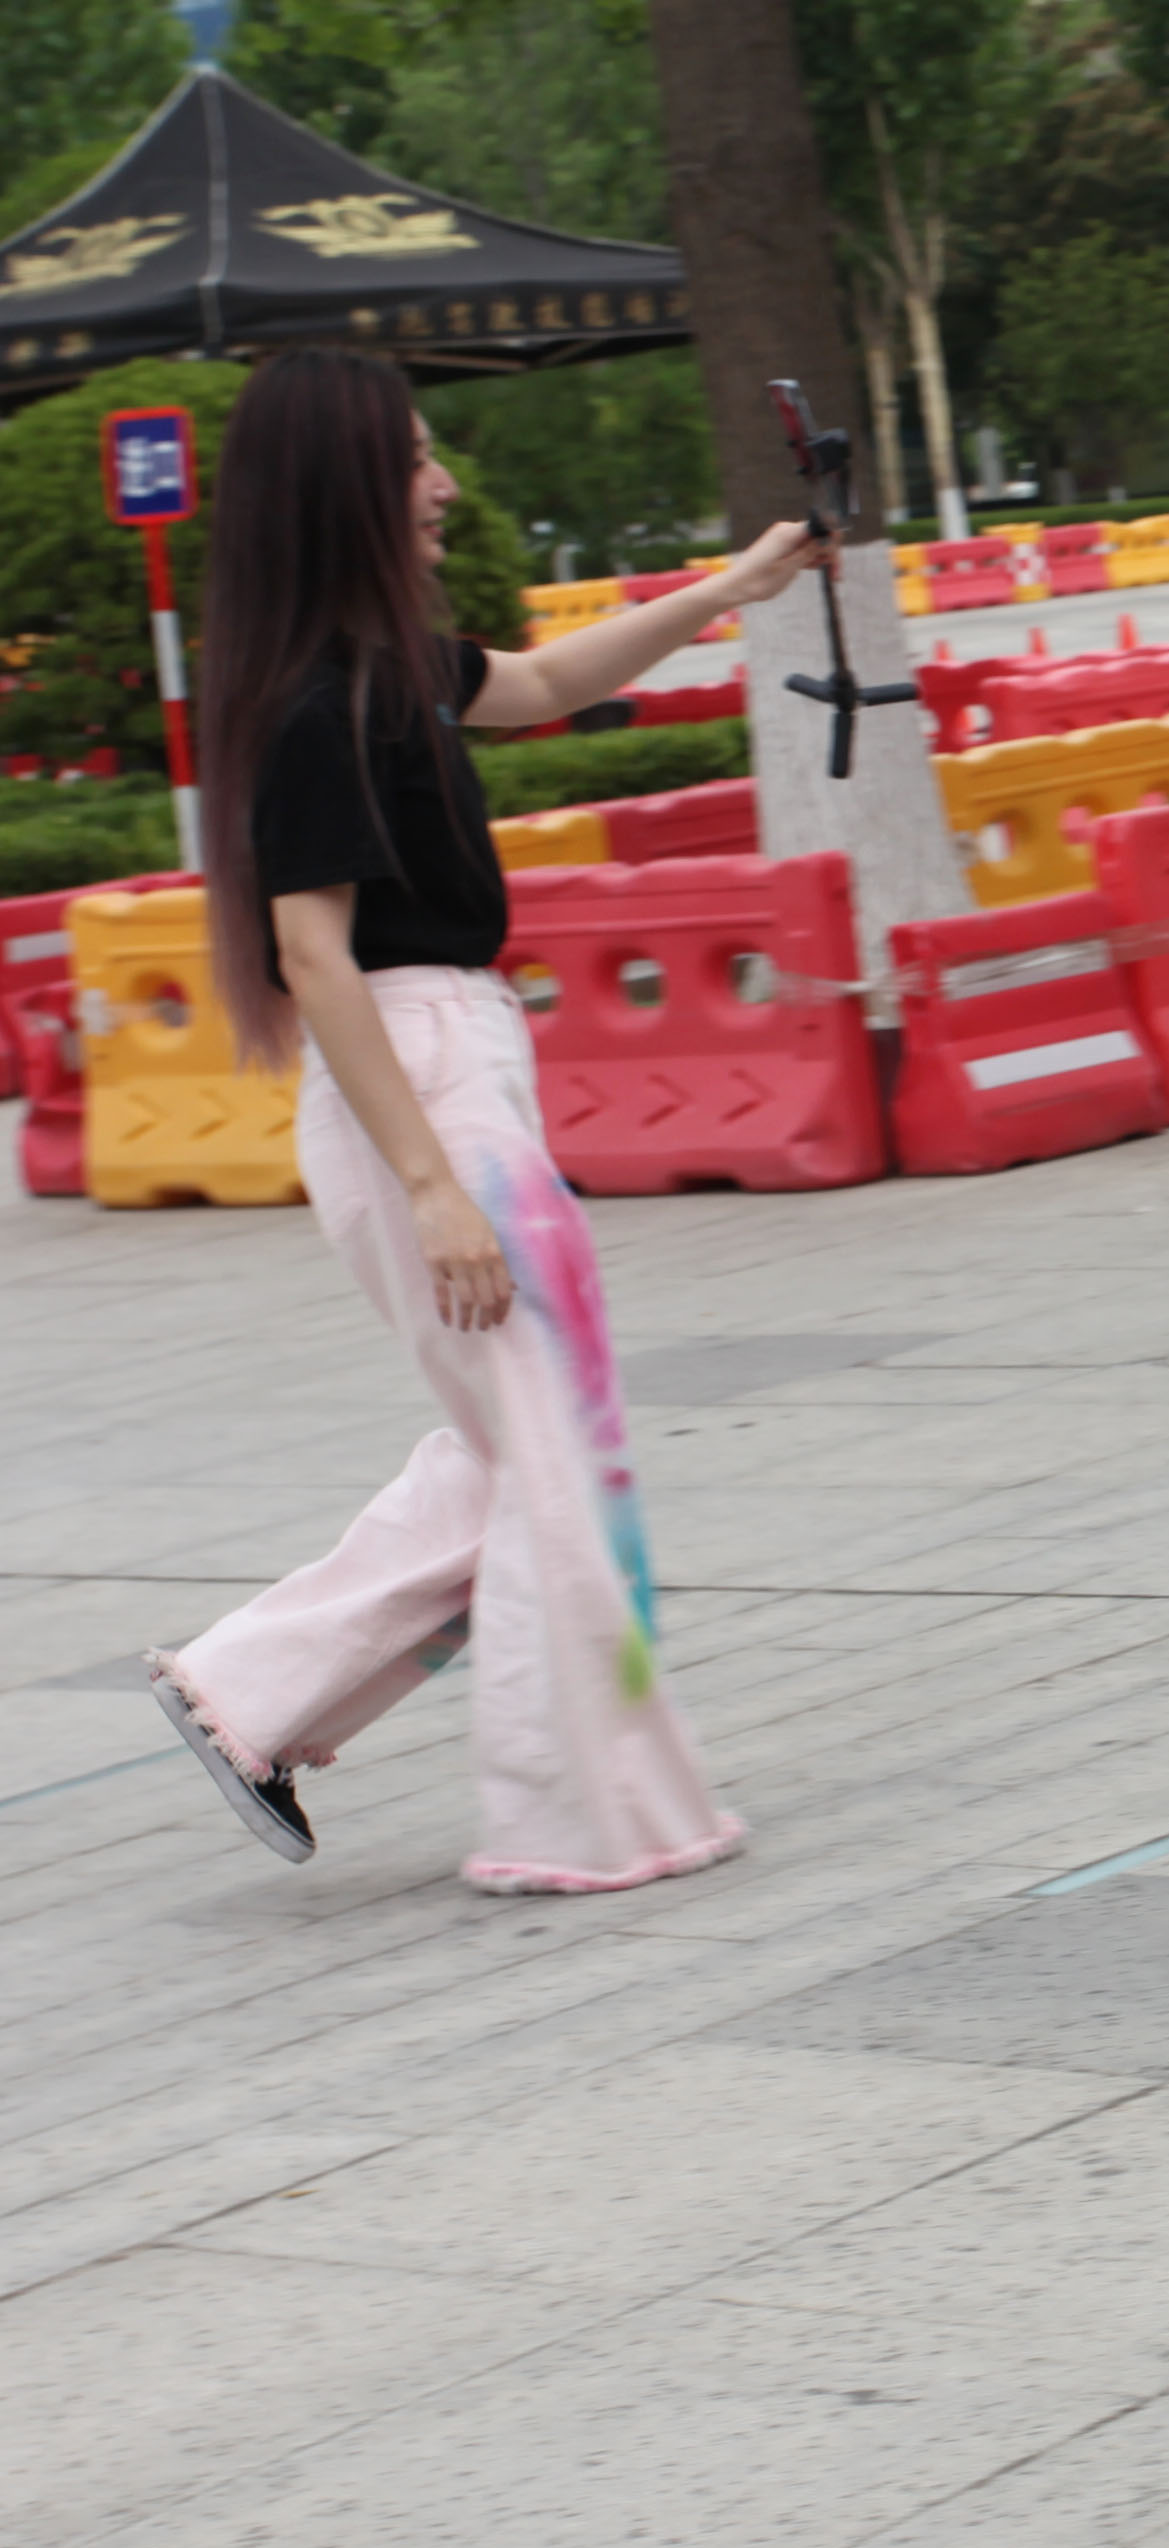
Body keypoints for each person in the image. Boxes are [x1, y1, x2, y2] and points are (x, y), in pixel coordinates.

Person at [145, 350, 816, 1892]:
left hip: (450, 1070)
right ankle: (578, 1811)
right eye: (420, 461)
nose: (445, 488)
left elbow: (551, 684)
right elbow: (313, 956)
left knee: (519, 1445)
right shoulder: (318, 704)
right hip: (421, 1081)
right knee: (556, 1455)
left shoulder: (388, 668)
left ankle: (249, 1692)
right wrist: (438, 1189)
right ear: (348, 489)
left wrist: (743, 583)